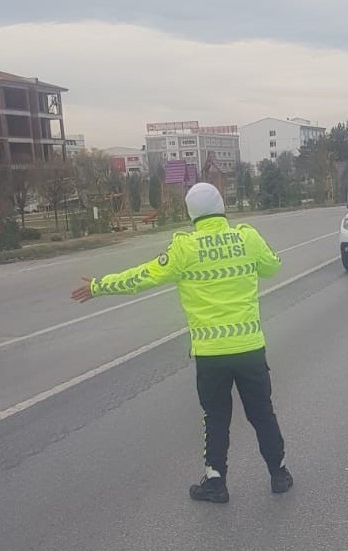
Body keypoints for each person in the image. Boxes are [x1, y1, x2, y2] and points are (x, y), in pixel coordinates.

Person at [71, 183, 292, 504]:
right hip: (249, 349)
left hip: (211, 355)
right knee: (262, 412)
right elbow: (273, 266)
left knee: (215, 417)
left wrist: (98, 286)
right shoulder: (247, 237)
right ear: (222, 206)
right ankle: (279, 473)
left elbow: (141, 276)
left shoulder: (184, 249)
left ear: (191, 213)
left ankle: (215, 483)